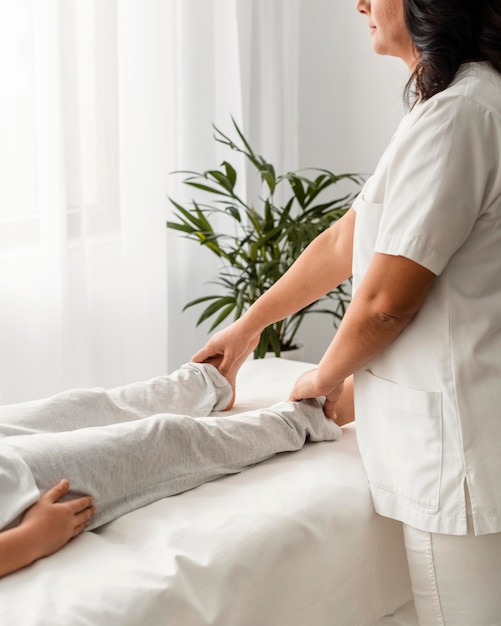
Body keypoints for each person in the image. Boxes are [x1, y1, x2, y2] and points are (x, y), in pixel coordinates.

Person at [193, 0, 501, 624]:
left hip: (460, 457)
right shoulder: (455, 104)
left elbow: (386, 303)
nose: (358, 3)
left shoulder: (458, 118)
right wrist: (249, 326)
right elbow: (345, 238)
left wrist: (321, 377)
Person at [0, 355, 343, 579]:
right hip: (14, 490)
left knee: (81, 406)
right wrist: (31, 540)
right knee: (158, 440)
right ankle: (307, 416)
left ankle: (209, 380)